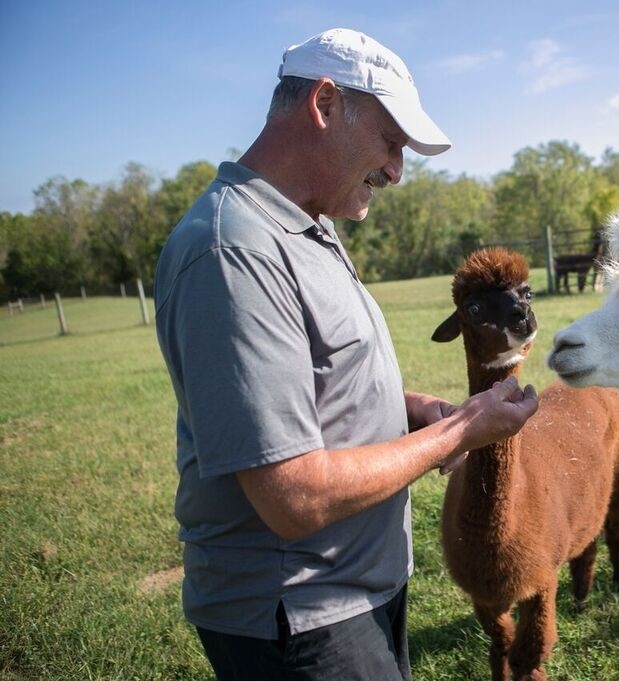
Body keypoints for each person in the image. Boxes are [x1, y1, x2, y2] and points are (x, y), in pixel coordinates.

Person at [153, 27, 539, 681]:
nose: (396, 170)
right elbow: (292, 494)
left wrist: (420, 410)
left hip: (352, 590)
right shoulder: (236, 249)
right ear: (325, 105)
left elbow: (322, 386)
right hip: (299, 613)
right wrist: (462, 429)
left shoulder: (309, 226)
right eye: (390, 141)